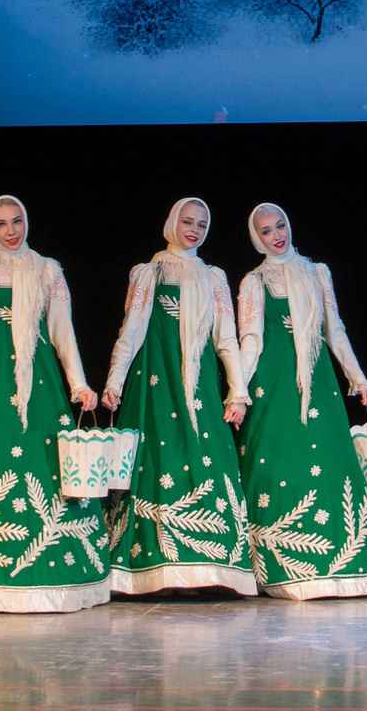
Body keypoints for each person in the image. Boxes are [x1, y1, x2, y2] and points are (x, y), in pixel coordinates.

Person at [0, 195, 110, 612]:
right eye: (1, 224)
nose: (10, 230)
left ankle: (58, 571)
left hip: (42, 386)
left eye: (16, 221)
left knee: (50, 464)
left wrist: (79, 383)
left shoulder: (48, 270)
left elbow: (62, 331)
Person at [233, 202, 367, 600]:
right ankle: (283, 561)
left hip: (319, 381)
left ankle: (341, 559)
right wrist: (238, 389)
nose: (277, 235)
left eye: (281, 225)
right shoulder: (253, 282)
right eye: (267, 230)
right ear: (257, 237)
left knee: (329, 461)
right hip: (274, 384)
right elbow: (251, 339)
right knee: (278, 461)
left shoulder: (316, 272)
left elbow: (335, 329)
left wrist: (357, 376)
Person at [101, 198, 256, 595]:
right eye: (187, 222)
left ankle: (211, 566)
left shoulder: (214, 277)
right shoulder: (149, 272)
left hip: (199, 386)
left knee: (207, 460)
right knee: (155, 464)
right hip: (155, 384)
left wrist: (237, 392)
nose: (194, 229)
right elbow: (132, 330)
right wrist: (115, 381)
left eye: (202, 224)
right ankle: (151, 566)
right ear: (172, 223)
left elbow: (225, 339)